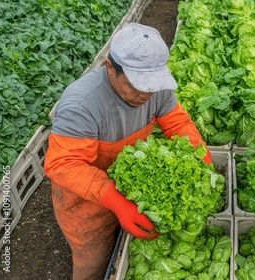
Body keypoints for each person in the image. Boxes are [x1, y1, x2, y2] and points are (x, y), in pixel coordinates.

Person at [44, 23, 212, 279]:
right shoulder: (82, 104)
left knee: (122, 249)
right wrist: (117, 203)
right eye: (137, 85)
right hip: (86, 200)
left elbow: (177, 124)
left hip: (132, 191)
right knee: (93, 259)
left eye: (151, 85)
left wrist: (199, 153)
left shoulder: (157, 90)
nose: (146, 94)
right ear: (110, 67)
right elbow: (64, 165)